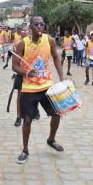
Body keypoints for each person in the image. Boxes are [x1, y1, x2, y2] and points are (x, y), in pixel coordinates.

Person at [12, 16, 64, 164]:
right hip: (29, 88)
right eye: (37, 24)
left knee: (57, 113)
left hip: (46, 86)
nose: (40, 26)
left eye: (42, 24)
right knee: (27, 120)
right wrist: (26, 73)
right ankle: (25, 150)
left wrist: (61, 76)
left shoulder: (50, 41)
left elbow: (55, 57)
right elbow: (14, 65)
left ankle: (51, 139)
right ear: (31, 27)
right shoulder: (23, 43)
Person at [11, 26, 29, 127]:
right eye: (23, 31)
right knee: (20, 96)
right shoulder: (18, 45)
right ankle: (19, 117)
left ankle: (33, 112)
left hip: (31, 74)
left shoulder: (33, 45)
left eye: (26, 31)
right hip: (21, 73)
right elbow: (15, 63)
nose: (24, 32)